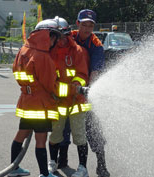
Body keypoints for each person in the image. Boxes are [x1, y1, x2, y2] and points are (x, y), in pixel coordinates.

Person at [8, 19, 65, 177]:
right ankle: (44, 174)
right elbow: (50, 85)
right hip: (40, 104)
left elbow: (16, 71)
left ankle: (13, 168)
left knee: (21, 134)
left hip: (26, 100)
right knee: (41, 140)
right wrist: (68, 90)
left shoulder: (23, 50)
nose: (54, 41)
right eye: (53, 37)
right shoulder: (42, 56)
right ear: (47, 35)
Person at [59, 9, 110, 177]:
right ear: (77, 23)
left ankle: (101, 165)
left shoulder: (96, 45)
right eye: (84, 24)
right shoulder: (69, 37)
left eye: (90, 25)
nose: (87, 28)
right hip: (65, 90)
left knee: (92, 129)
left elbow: (95, 71)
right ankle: (62, 159)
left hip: (84, 92)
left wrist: (88, 90)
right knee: (63, 126)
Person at [48, 17, 91, 177]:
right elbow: (48, 79)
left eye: (63, 35)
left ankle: (82, 168)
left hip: (77, 102)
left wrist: (76, 85)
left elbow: (82, 75)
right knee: (55, 134)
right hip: (57, 101)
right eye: (57, 36)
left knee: (80, 135)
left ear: (68, 34)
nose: (61, 39)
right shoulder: (49, 53)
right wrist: (64, 90)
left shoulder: (78, 51)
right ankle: (52, 163)